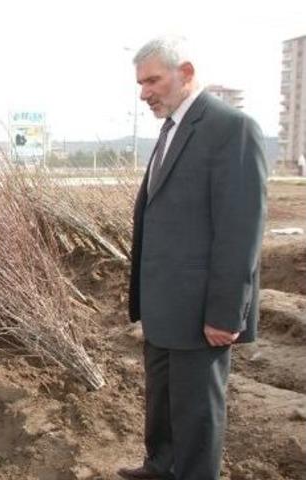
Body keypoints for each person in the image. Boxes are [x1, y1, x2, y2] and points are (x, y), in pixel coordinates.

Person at [120, 36, 267, 480]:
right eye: (140, 83)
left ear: (185, 73)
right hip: (165, 308)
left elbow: (240, 232)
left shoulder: (230, 128)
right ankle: (160, 466)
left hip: (203, 312)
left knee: (197, 414)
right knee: (162, 402)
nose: (143, 92)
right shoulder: (171, 129)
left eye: (152, 80)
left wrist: (226, 312)